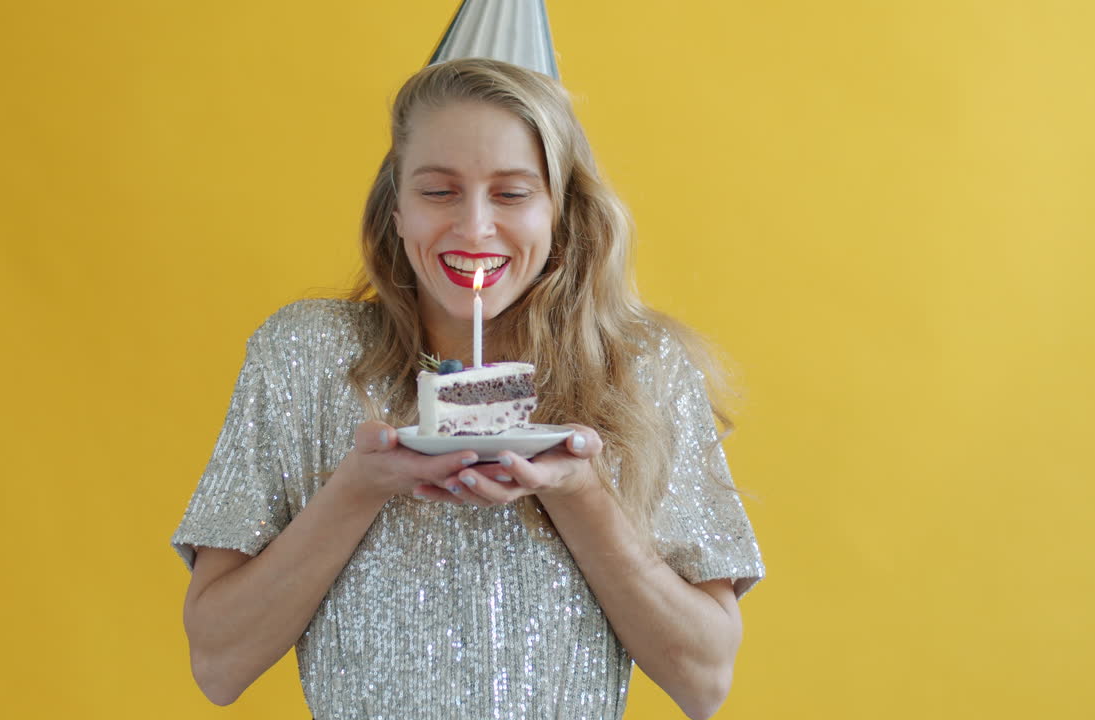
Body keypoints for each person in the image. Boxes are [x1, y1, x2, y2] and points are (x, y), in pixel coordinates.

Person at [171, 53, 763, 720]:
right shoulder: (308, 355)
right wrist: (362, 485)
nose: (474, 227)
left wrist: (578, 491)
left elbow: (705, 680)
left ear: (559, 215)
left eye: (512, 193)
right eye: (438, 191)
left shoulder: (640, 368)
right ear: (396, 209)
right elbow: (218, 664)